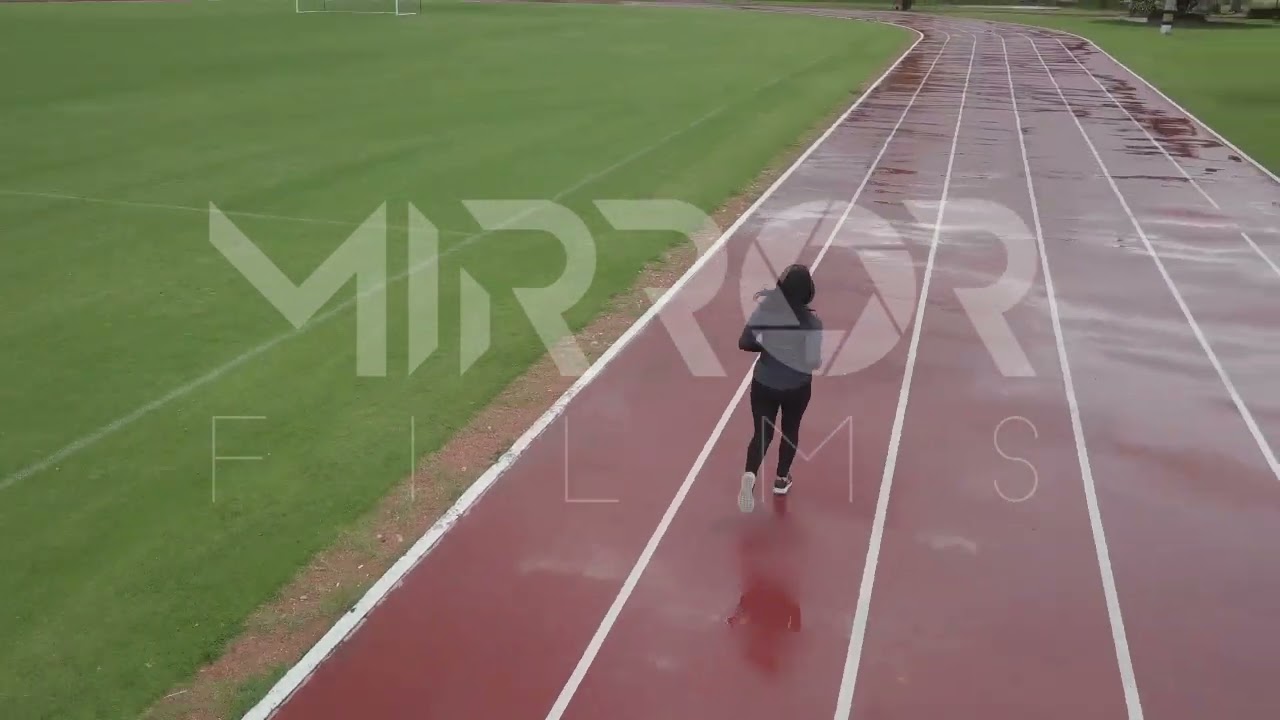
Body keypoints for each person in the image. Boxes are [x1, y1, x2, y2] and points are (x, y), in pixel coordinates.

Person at [737, 264, 822, 512]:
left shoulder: (765, 312)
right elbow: (813, 361)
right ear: (808, 292)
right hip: (797, 387)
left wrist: (769, 347)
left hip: (764, 383)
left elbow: (744, 342)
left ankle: (750, 474)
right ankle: (781, 480)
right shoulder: (812, 323)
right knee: (790, 430)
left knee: (761, 433)